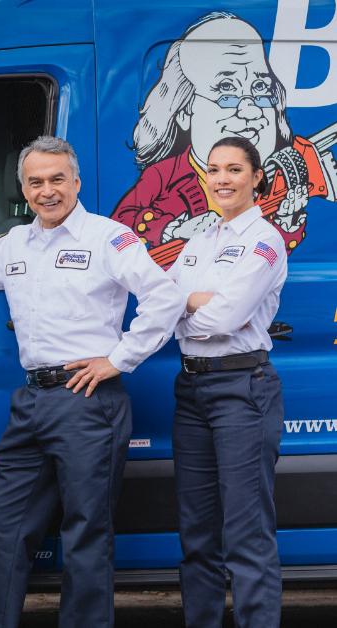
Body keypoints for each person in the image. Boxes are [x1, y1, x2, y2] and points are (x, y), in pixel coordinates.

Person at [0, 136, 184, 628]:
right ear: (24, 189)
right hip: (32, 401)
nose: (47, 190)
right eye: (36, 182)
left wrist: (118, 359)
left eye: (57, 179)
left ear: (76, 182)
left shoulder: (108, 238)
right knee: (2, 526)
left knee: (86, 534)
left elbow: (164, 298)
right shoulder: (13, 245)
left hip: (88, 400)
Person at [168, 135, 287, 628]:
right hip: (192, 391)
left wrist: (185, 307)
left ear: (256, 177)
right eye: (214, 169)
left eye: (234, 169)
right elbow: (162, 303)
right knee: (197, 534)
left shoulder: (265, 240)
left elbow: (227, 318)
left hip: (242, 390)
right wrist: (191, 305)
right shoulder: (199, 240)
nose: (222, 179)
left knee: (246, 534)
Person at [110, 11, 335, 267]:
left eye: (261, 89)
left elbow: (269, 260)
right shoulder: (164, 174)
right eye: (226, 90)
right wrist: (173, 229)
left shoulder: (276, 177)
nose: (251, 111)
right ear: (184, 110)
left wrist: (288, 223)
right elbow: (121, 227)